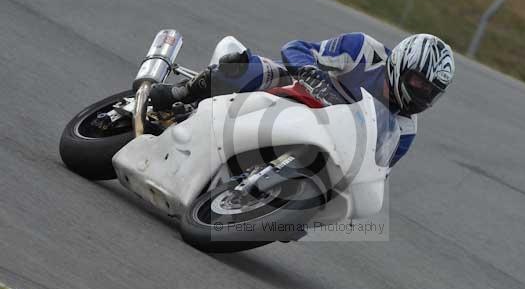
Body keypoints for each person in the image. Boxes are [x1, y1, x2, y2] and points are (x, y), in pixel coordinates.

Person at [150, 32, 455, 167]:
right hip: (294, 94)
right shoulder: (365, 51)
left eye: (431, 90)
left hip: (320, 139)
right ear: (402, 63)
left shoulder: (405, 129)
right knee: (254, 67)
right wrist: (309, 70)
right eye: (418, 81)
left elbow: (377, 169)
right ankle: (179, 94)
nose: (422, 92)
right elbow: (299, 48)